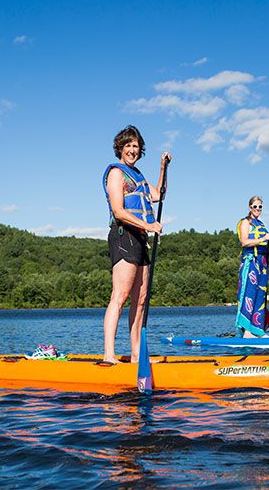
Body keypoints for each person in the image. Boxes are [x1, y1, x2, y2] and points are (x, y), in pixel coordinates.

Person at [101, 125, 171, 364]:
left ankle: (135, 355)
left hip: (141, 240)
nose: (132, 150)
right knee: (119, 296)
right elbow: (119, 211)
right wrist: (149, 225)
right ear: (120, 148)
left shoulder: (139, 175)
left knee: (140, 299)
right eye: (128, 146)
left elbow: (159, 194)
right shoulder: (116, 173)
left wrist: (163, 168)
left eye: (136, 146)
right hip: (124, 237)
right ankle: (109, 355)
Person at [235, 196, 269, 338]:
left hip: (261, 264)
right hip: (250, 262)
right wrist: (262, 239)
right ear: (250, 207)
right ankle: (246, 331)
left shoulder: (261, 224)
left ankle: (258, 330)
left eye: (260, 207)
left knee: (260, 296)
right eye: (255, 206)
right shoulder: (246, 222)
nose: (258, 209)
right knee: (249, 294)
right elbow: (244, 242)